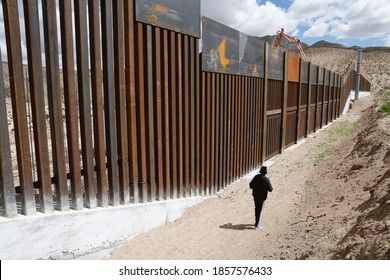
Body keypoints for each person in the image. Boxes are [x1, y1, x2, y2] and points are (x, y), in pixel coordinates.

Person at [249, 166, 273, 230]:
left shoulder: (256, 177)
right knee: (259, 210)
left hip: (255, 196)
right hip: (262, 197)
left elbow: (250, 185)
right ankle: (257, 224)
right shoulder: (266, 180)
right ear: (266, 172)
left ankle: (256, 222)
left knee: (256, 208)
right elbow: (270, 189)